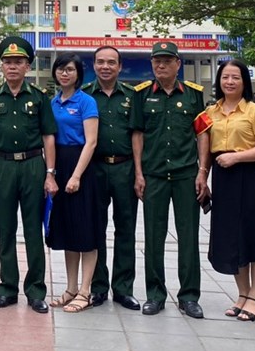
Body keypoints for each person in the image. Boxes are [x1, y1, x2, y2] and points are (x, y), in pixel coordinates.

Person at [0, 35, 58, 314]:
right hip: (3, 167)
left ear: (27, 66)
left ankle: (36, 290)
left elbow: (48, 137)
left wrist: (50, 174)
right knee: (6, 229)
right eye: (8, 62)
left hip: (33, 166)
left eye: (18, 62)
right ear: (2, 66)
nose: (12, 66)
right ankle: (8, 288)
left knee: (33, 230)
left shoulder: (39, 98)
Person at [130, 40, 209, 318]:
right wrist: (138, 173)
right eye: (157, 61)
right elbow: (137, 134)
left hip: (186, 175)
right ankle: (155, 294)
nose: (161, 65)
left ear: (178, 64)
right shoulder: (141, 94)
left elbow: (202, 134)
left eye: (167, 60)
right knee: (154, 237)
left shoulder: (194, 95)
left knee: (189, 236)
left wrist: (203, 171)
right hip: (153, 176)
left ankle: (189, 296)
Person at [199, 59, 255, 321]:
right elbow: (204, 146)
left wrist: (237, 157)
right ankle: (242, 294)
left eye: (236, 77)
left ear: (245, 82)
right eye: (225, 77)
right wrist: (203, 175)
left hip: (249, 176)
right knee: (232, 237)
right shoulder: (210, 112)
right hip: (223, 179)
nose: (230, 82)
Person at [82, 45, 139, 309]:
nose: (106, 67)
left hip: (125, 168)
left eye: (111, 62)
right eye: (101, 62)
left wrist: (139, 172)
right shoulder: (85, 95)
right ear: (93, 65)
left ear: (120, 66)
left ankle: (123, 288)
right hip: (94, 168)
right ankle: (98, 286)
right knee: (95, 227)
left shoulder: (132, 96)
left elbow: (138, 134)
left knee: (126, 228)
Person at [45, 53, 100, 313]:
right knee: (68, 231)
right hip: (60, 165)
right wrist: (51, 173)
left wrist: (77, 175)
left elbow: (91, 141)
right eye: (60, 69)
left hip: (82, 167)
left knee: (85, 230)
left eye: (69, 69)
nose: (64, 73)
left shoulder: (86, 101)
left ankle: (86, 291)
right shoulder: (53, 102)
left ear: (78, 74)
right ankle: (70, 288)